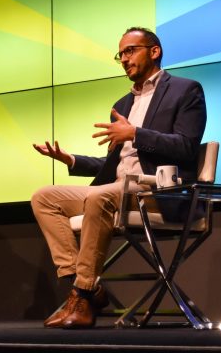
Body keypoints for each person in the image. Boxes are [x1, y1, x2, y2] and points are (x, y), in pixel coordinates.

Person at [31, 27, 207, 329]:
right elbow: (114, 163)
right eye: (120, 54)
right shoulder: (123, 104)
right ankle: (85, 286)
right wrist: (71, 160)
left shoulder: (186, 90)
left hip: (159, 191)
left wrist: (136, 134)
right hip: (119, 189)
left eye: (130, 51)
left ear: (154, 51)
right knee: (44, 197)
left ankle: (82, 296)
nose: (124, 59)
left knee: (100, 196)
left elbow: (187, 147)